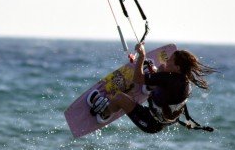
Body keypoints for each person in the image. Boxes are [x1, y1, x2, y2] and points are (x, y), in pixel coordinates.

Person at [87, 42, 216, 133]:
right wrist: (158, 74)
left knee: (120, 98)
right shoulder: (185, 81)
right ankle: (149, 86)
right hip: (162, 117)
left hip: (150, 122)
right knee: (160, 69)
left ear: (177, 68)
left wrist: (142, 57)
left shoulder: (169, 79)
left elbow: (137, 78)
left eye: (170, 61)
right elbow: (166, 82)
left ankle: (104, 113)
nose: (167, 61)